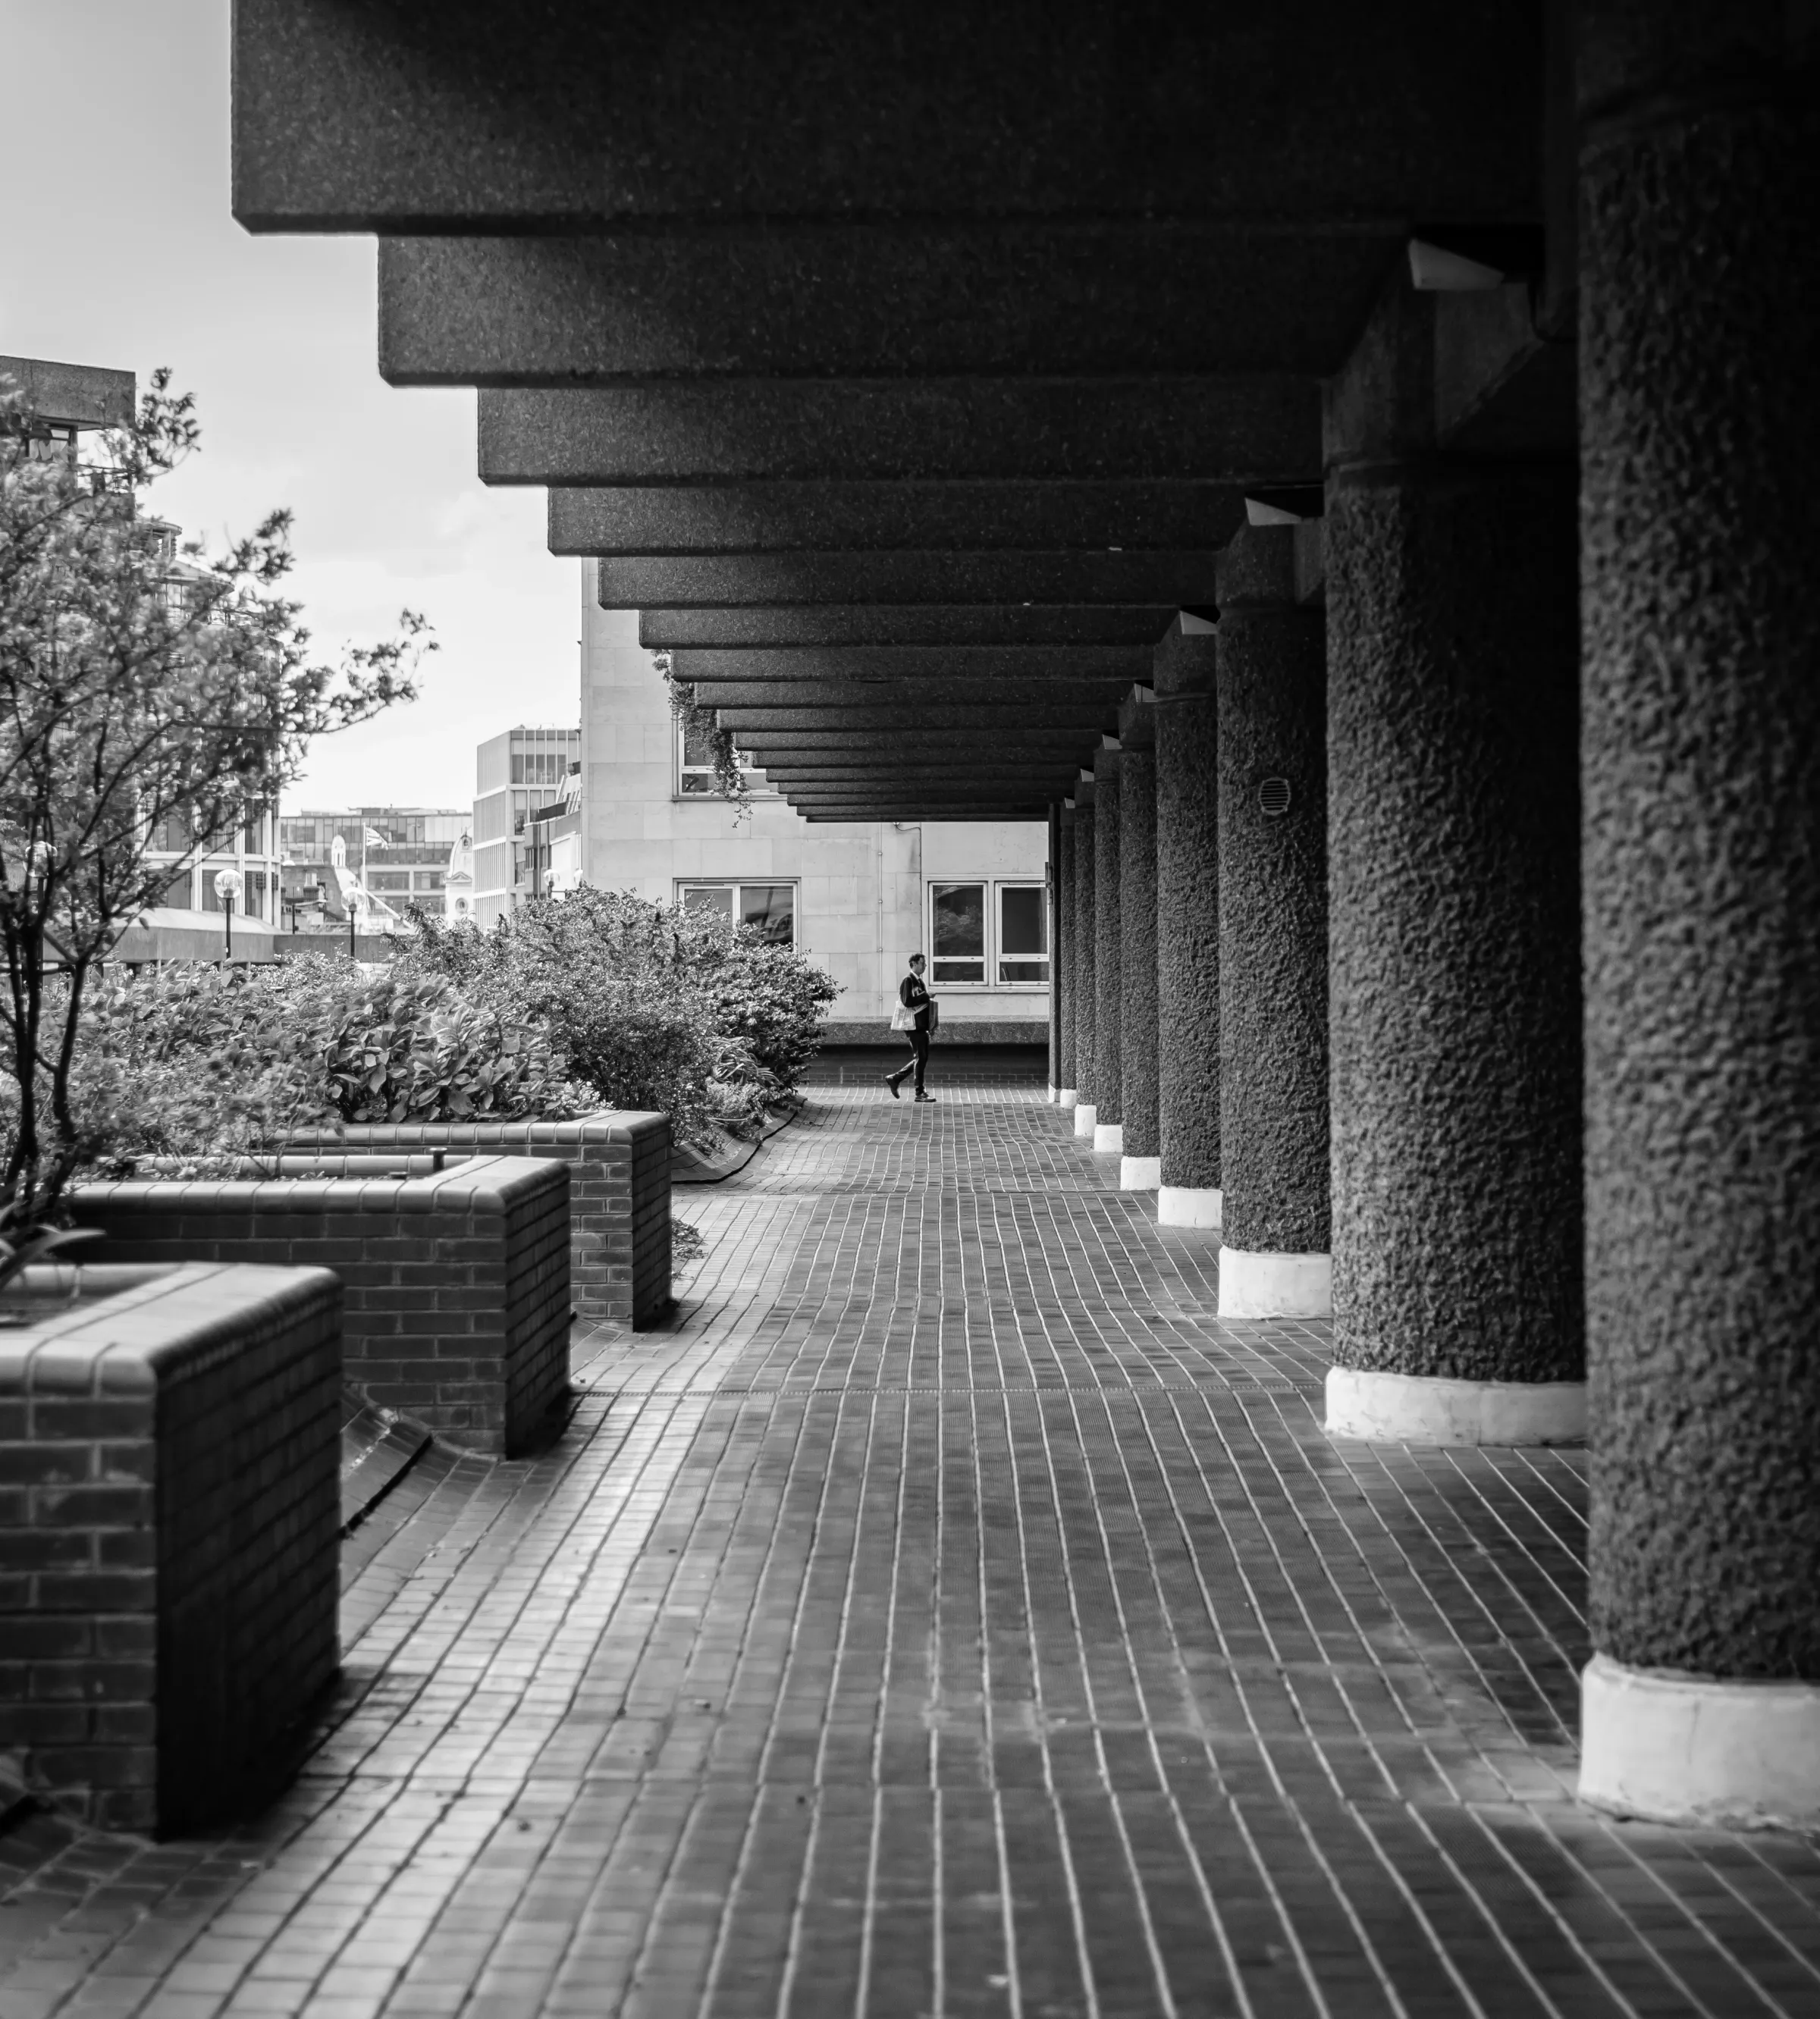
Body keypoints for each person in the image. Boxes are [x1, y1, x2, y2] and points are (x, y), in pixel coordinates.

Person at [886, 952, 935, 1102]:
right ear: (914, 964)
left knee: (922, 1057)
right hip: (913, 1026)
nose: (925, 966)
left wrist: (929, 1025)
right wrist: (927, 996)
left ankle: (895, 1079)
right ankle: (919, 1092)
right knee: (921, 1058)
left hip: (921, 1026)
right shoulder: (908, 980)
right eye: (922, 963)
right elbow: (907, 1001)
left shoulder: (919, 982)